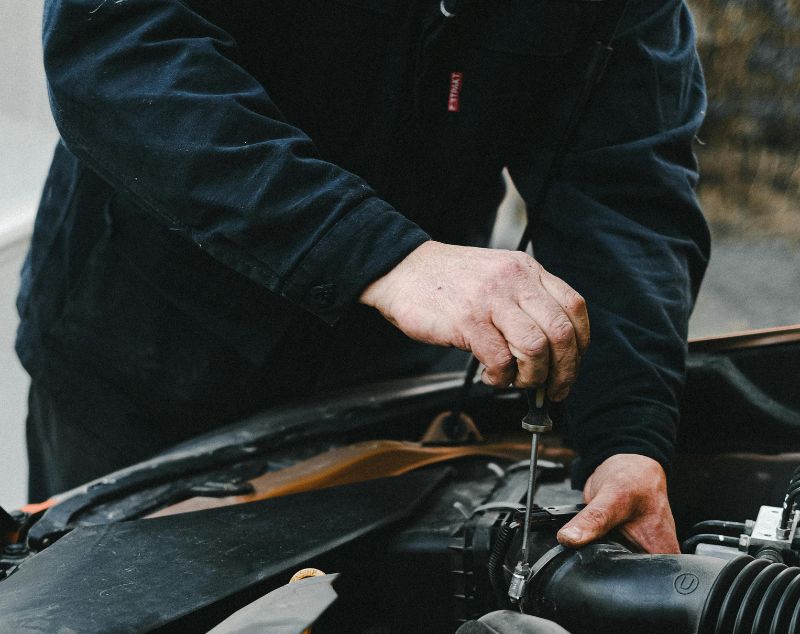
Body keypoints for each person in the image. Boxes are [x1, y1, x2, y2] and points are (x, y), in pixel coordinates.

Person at [16, 0, 709, 554]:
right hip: (142, 355)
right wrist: (378, 255)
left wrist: (626, 439)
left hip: (380, 385)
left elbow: (625, 191)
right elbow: (123, 48)